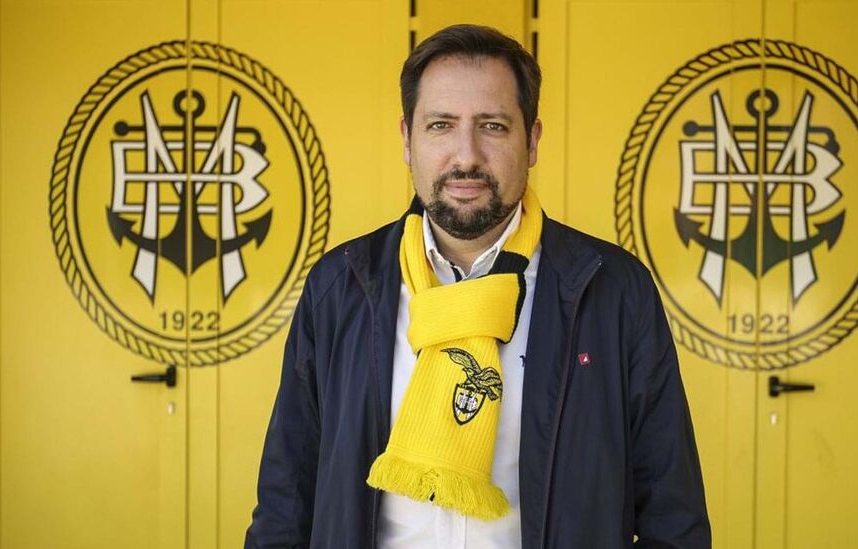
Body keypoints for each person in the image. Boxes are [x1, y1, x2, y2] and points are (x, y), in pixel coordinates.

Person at [245, 24, 710, 548]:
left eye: (493, 126)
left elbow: (673, 517)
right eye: (441, 125)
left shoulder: (613, 291)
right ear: (407, 139)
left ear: (532, 141)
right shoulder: (340, 287)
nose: (466, 156)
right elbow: (286, 504)